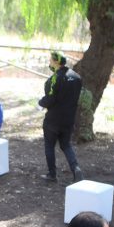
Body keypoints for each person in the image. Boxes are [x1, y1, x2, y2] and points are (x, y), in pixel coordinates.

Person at [38, 51, 84, 183]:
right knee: (66, 145)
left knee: (49, 146)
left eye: (51, 60)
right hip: (68, 119)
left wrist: (40, 103)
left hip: (53, 120)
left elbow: (50, 99)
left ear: (56, 62)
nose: (49, 63)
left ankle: (52, 174)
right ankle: (76, 169)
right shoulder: (76, 77)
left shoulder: (53, 79)